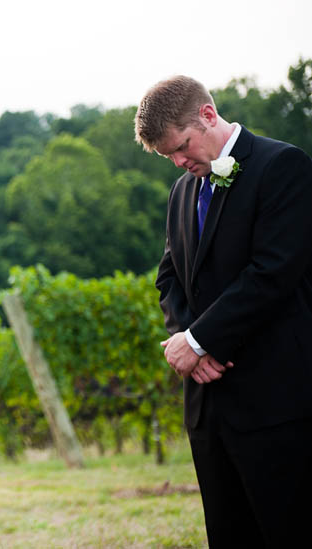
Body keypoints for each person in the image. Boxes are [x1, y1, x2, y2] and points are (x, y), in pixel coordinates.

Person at [135, 75, 312, 547]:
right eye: (168, 156)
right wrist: (187, 342)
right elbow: (169, 278)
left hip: (276, 401)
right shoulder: (182, 191)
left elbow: (271, 273)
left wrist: (198, 341)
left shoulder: (283, 167)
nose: (178, 161)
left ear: (208, 115)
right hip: (209, 407)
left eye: (182, 146)